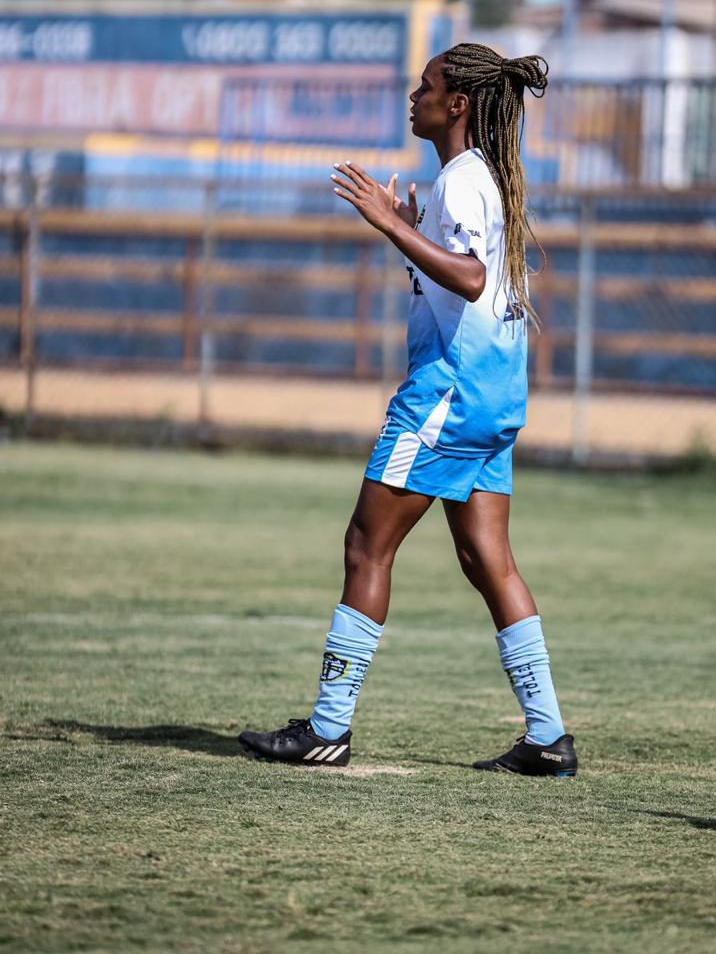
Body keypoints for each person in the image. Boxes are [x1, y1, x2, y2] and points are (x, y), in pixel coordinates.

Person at [239, 43, 577, 778]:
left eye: (426, 86)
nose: (413, 94)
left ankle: (327, 728)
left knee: (368, 546)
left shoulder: (463, 181)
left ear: (457, 104)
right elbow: (466, 281)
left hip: (448, 397)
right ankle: (548, 734)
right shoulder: (473, 179)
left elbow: (470, 276)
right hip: (493, 397)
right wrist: (411, 225)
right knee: (486, 559)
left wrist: (391, 225)